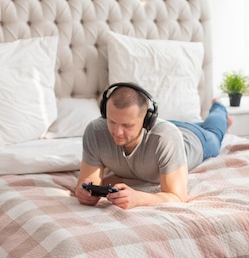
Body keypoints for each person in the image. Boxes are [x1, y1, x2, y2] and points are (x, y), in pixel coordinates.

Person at [75, 82, 231, 209]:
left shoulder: (166, 138)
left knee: (215, 132)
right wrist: (85, 193)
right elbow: (89, 181)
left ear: (146, 120)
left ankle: (219, 107)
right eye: (112, 122)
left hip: (193, 139)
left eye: (127, 125)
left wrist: (138, 198)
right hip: (167, 129)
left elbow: (176, 196)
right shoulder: (95, 131)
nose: (117, 132)